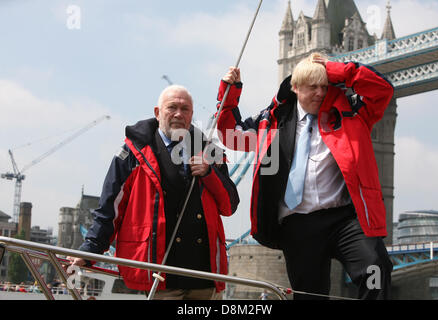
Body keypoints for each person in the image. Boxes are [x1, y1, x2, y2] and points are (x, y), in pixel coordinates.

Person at [216, 52, 394, 300]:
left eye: (324, 86)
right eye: (313, 87)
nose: (320, 93)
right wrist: (229, 91)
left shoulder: (352, 113)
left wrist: (339, 71)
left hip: (345, 218)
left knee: (376, 268)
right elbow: (229, 134)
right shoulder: (270, 122)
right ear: (296, 88)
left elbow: (383, 90)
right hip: (299, 224)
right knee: (310, 295)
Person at [67, 85, 239, 300]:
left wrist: (209, 173)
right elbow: (110, 210)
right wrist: (89, 251)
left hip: (204, 277)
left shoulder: (209, 152)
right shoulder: (132, 153)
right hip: (158, 278)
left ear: (192, 115)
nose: (178, 114)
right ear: (158, 113)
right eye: (172, 107)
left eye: (185, 109)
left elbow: (229, 205)